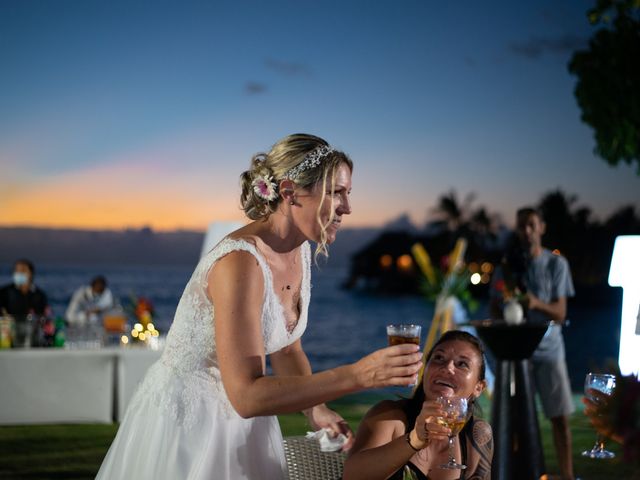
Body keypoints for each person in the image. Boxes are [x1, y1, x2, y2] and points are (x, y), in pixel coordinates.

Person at [95, 133, 423, 480]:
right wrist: (358, 375)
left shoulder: (299, 250)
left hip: (247, 424)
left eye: (348, 193)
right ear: (288, 192)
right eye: (335, 192)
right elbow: (247, 396)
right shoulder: (241, 262)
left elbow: (286, 348)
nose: (347, 207)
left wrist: (315, 409)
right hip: (191, 426)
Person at [491, 207, 576, 480]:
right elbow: (493, 309)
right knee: (514, 420)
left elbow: (561, 314)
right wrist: (505, 303)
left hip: (550, 350)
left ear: (541, 227)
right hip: (518, 352)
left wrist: (535, 303)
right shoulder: (508, 265)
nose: (526, 232)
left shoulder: (556, 264)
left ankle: (566, 475)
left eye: (531, 225)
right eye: (521, 227)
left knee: (559, 418)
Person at [343, 329, 493, 480]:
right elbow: (351, 476)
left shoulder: (477, 435)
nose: (447, 367)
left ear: (478, 388)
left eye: (462, 364)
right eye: (439, 358)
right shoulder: (391, 417)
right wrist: (414, 440)